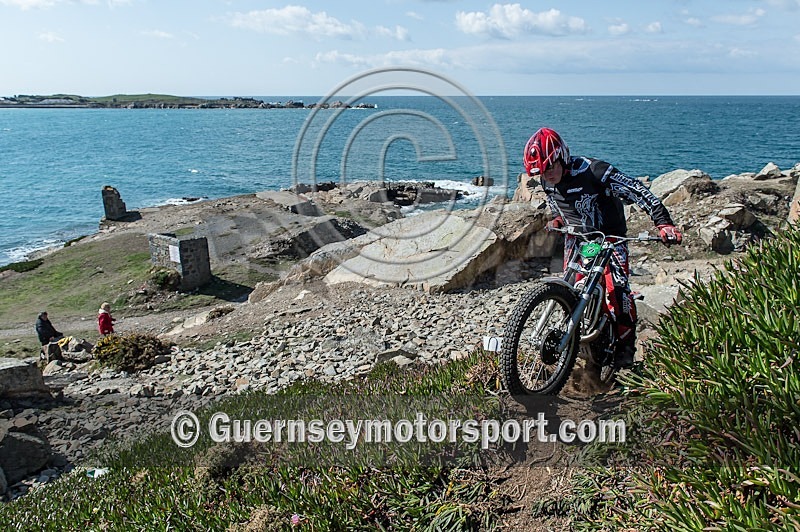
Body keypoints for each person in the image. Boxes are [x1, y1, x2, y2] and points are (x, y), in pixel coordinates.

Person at [523, 127, 682, 369]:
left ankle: (625, 354)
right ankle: (575, 344)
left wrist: (663, 223)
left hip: (610, 239)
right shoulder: (547, 181)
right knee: (569, 290)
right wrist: (557, 219)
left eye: (550, 167)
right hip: (577, 239)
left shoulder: (595, 171)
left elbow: (637, 190)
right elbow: (556, 202)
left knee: (618, 293)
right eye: (542, 172)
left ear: (562, 156)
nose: (548, 175)